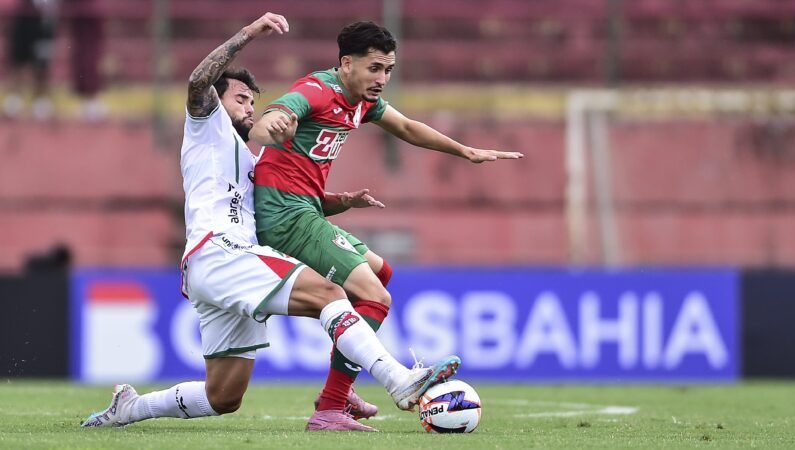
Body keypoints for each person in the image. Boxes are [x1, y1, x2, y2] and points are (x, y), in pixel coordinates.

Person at [80, 12, 460, 433]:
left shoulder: (252, 159)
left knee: (222, 397)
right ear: (217, 100)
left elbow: (277, 204)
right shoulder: (207, 127)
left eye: (253, 101)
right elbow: (196, 83)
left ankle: (130, 407)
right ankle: (397, 379)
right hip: (220, 250)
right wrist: (248, 33)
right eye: (240, 98)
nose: (249, 106)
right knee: (329, 293)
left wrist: (338, 202)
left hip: (223, 264)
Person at [249, 21, 523, 425]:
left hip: (307, 210)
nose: (383, 79)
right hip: (286, 215)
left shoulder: (362, 102)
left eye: (389, 69)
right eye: (375, 68)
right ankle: (331, 405)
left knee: (382, 272)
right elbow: (273, 115)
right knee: (375, 297)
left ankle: (343, 383)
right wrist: (267, 126)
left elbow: (409, 128)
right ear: (346, 63)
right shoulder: (318, 90)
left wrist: (465, 151)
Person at [3, 0, 58, 120]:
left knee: (42, 63)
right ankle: (14, 99)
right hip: (23, 15)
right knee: (18, 59)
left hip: (45, 17)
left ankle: (40, 101)